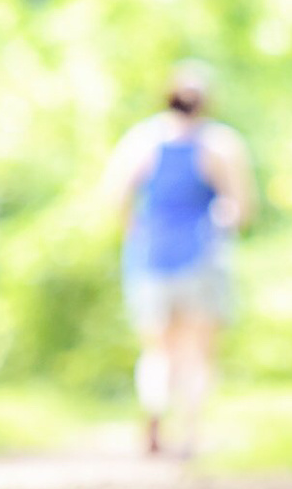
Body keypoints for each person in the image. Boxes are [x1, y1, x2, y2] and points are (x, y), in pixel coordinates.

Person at [104, 62, 257, 455]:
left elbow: (116, 198)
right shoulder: (219, 145)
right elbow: (241, 209)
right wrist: (223, 218)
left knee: (157, 349)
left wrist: (135, 229)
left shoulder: (141, 141)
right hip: (201, 257)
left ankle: (154, 416)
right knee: (196, 351)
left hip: (149, 257)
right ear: (207, 102)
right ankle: (190, 433)